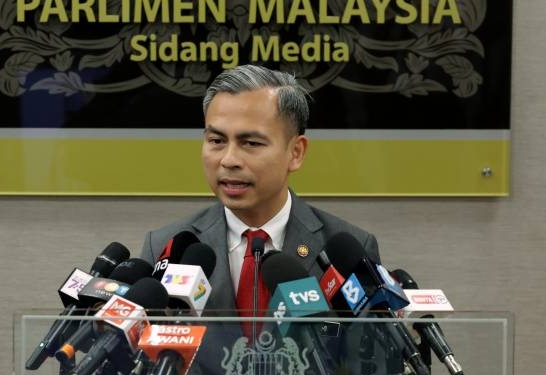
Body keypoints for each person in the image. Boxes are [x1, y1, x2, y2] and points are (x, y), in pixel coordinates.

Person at [140, 64, 379, 313]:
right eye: (216, 141)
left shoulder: (347, 252)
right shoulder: (166, 248)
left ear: (295, 153)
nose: (229, 160)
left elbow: (369, 348)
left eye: (251, 143)